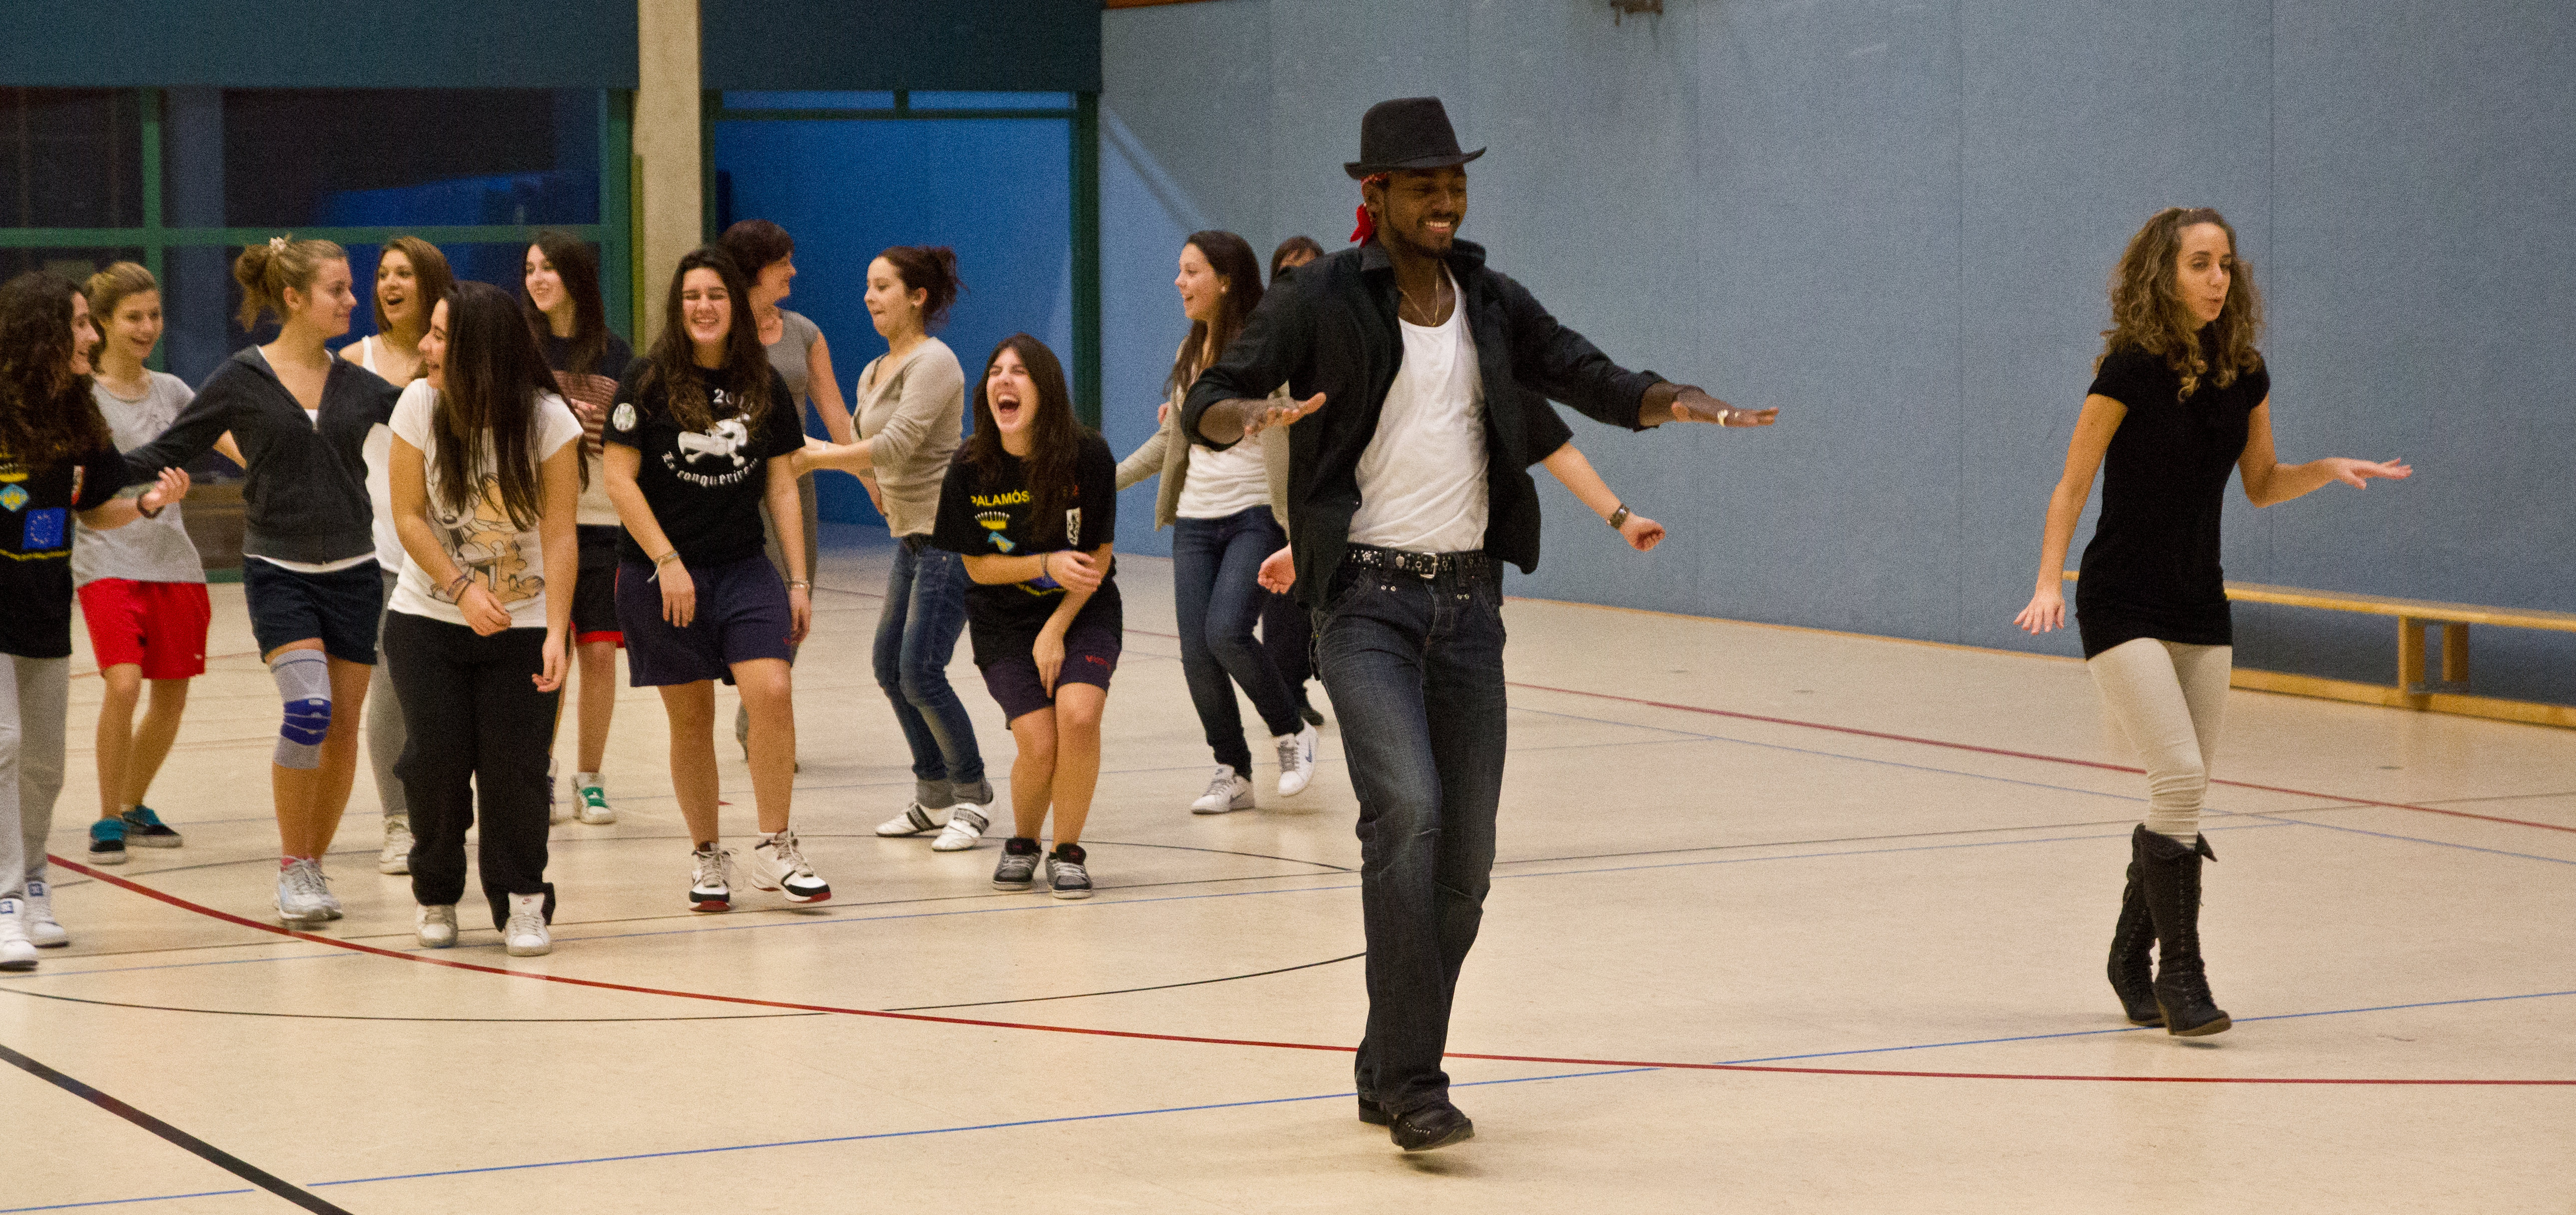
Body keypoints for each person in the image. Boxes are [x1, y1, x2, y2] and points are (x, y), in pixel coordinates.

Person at [1182, 98, 1776, 1151]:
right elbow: (1214, 395)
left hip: (1467, 609)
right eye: (1426, 186)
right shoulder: (1320, 296)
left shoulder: (1489, 301)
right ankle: (1417, 1084)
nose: (1447, 201)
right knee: (1406, 811)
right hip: (1363, 602)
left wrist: (1676, 398)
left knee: (1465, 867)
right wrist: (1246, 415)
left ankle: (1385, 1059)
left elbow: (1587, 375)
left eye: (1456, 183)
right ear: (1376, 194)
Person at [2014, 206, 2410, 1039]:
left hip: (2200, 603)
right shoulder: (2127, 368)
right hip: (2120, 600)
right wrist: (2049, 580)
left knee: (2186, 791)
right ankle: (2180, 978)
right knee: (2179, 775)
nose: (2217, 278)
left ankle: (2129, 957)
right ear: (2163, 274)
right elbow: (2071, 484)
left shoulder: (2244, 371)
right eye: (2199, 263)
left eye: (2225, 263)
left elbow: (2262, 483)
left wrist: (2325, 469)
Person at [123, 237, 402, 927]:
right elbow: (166, 449)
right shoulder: (242, 378)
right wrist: (77, 474)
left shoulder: (360, 385)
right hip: (279, 572)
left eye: (351, 287)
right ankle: (292, 865)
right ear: (295, 298)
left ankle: (313, 864)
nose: (353, 299)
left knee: (341, 731)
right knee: (308, 711)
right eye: (338, 289)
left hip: (356, 573)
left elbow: (441, 428)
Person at [602, 247, 827, 912]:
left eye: (717, 295)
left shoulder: (763, 382)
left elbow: (782, 485)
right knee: (691, 717)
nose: (704, 307)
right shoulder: (646, 380)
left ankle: (775, 845)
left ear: (735, 306)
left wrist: (798, 580)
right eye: (692, 296)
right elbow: (618, 478)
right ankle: (706, 854)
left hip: (743, 567)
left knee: (773, 690)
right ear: (679, 307)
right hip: (660, 574)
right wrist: (667, 561)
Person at [0, 272, 191, 968]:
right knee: (3, 745)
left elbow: (95, 509)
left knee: (44, 766)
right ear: (42, 334)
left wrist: (146, 505)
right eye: (80, 324)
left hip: (44, 610)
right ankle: (5, 900)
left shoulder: (77, 416)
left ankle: (36, 883)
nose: (91, 335)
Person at [385, 282, 582, 955]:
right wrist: (462, 588)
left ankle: (522, 901)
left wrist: (556, 630)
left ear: (479, 350)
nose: (425, 346)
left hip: (522, 623)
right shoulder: (419, 404)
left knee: (516, 769)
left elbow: (560, 533)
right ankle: (437, 894)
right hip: (427, 617)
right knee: (434, 763)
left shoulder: (548, 420)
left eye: (440, 336)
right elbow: (408, 516)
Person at [794, 247, 991, 849]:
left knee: (921, 670)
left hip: (948, 537)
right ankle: (933, 795)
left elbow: (897, 445)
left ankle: (973, 796)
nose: (869, 297)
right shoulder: (874, 370)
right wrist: (802, 449)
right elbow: (865, 452)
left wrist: (816, 458)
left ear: (917, 297)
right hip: (910, 538)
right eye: (868, 286)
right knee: (889, 665)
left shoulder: (936, 362)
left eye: (882, 286)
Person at [1114, 232, 1317, 816]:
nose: (1179, 282)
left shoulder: (1264, 345)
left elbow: (1296, 414)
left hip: (1255, 514)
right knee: (1197, 654)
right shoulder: (1190, 350)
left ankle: (1292, 730)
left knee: (1226, 631)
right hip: (1195, 521)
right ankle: (1233, 771)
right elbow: (1170, 441)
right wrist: (1104, 480)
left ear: (1226, 280)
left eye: (1191, 271)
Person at [930, 336, 1119, 899]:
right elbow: (977, 566)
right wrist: (1044, 564)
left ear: (1046, 388)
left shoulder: (1088, 454)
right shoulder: (969, 467)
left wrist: (1057, 627)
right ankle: (1024, 841)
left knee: (1079, 718)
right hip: (1003, 621)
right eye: (995, 371)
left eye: (1019, 372)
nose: (1003, 381)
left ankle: (1067, 851)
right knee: (1038, 742)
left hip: (1082, 609)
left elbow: (1099, 554)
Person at [75, 263, 241, 866]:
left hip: (175, 564)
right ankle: (106, 815)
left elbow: (230, 440)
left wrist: (278, 461)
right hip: (107, 559)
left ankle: (132, 803)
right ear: (102, 323)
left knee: (170, 700)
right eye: (133, 317)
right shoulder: (84, 400)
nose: (148, 327)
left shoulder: (172, 391)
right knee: (124, 685)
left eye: (155, 315)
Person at [718, 220, 858, 761]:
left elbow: (836, 413)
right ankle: (763, 715)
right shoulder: (718, 330)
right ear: (755, 269)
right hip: (731, 489)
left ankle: (756, 714)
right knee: (754, 602)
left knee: (795, 605)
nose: (794, 271)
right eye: (783, 263)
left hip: (793, 488)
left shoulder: (804, 332)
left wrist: (869, 477)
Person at [340, 236, 455, 874]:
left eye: (405, 274)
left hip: (459, 551)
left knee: (444, 696)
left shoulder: (456, 357)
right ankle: (397, 820)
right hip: (383, 552)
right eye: (383, 273)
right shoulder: (352, 362)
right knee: (388, 688)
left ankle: (443, 813)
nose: (390, 284)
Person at [524, 231, 635, 828]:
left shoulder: (616, 355)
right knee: (551, 656)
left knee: (598, 655)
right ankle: (538, 771)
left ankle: (590, 779)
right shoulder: (521, 347)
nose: (537, 279)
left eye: (548, 268)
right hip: (539, 527)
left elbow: (631, 442)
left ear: (575, 277)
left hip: (602, 527)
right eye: (530, 269)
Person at [1260, 236, 1328, 728]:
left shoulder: (1341, 337)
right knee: (1285, 608)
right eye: (1289, 272)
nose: (1299, 281)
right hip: (1279, 502)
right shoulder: (1268, 340)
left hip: (1330, 493)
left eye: (1310, 270)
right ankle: (1287, 694)